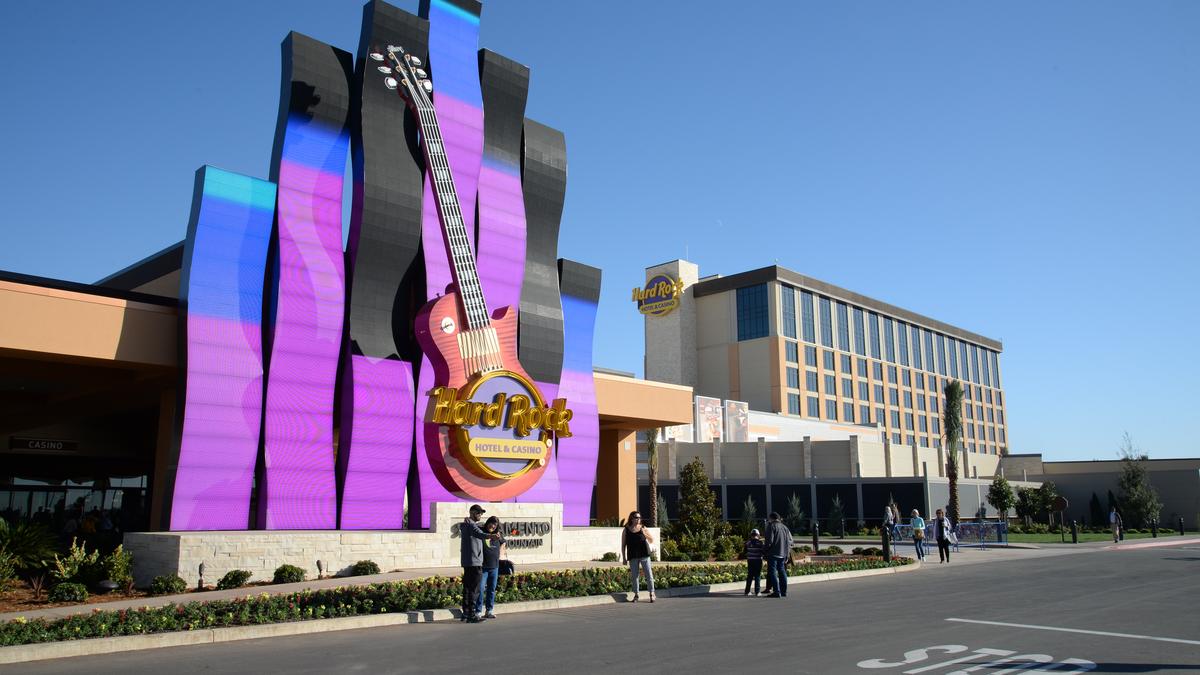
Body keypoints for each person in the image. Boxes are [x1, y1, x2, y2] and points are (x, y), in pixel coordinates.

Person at [459, 504, 498, 623]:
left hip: (468, 562)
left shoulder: (467, 525)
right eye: (478, 512)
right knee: (474, 589)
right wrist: (491, 535)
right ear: (471, 512)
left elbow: (479, 529)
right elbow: (480, 534)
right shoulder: (471, 525)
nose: (480, 515)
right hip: (474, 562)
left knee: (467, 588)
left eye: (481, 513)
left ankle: (466, 613)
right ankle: (472, 615)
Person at [621, 510, 656, 602]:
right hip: (632, 555)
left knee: (649, 574)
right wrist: (624, 558)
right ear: (631, 518)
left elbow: (652, 540)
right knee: (634, 576)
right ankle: (636, 595)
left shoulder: (643, 528)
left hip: (644, 554)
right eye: (636, 517)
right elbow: (623, 545)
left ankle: (652, 593)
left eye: (639, 518)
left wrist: (645, 533)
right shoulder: (626, 529)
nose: (638, 519)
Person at [476, 516, 506, 619]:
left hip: (494, 567)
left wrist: (501, 555)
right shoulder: (482, 532)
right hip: (483, 567)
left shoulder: (498, 535)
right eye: (491, 523)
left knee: (491, 589)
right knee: (480, 589)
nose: (492, 526)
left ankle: (489, 611)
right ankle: (478, 611)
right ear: (487, 522)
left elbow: (503, 542)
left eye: (495, 524)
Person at [764, 512, 793, 598]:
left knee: (772, 572)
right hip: (783, 554)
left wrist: (764, 551)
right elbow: (789, 542)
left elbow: (769, 541)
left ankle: (776, 591)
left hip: (773, 553)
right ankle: (784, 591)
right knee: (782, 571)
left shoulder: (771, 526)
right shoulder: (785, 527)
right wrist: (787, 554)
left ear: (771, 518)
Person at [743, 528, 766, 595]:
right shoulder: (760, 543)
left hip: (750, 560)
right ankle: (757, 591)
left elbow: (745, 552)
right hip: (758, 560)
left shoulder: (747, 542)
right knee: (757, 576)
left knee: (749, 575)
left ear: (751, 535)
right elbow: (763, 551)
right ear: (758, 535)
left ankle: (747, 591)